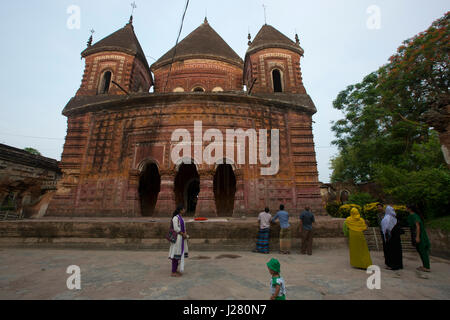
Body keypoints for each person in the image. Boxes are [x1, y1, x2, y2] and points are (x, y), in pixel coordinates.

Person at [406, 204, 431, 273]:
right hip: (417, 234)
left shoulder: (414, 216)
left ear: (410, 209)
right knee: (420, 250)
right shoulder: (413, 215)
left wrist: (417, 237)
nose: (406, 209)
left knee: (422, 250)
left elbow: (418, 226)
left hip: (420, 235)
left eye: (407, 207)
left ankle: (427, 267)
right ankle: (425, 266)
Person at [168, 205, 189, 277]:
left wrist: (185, 234)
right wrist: (183, 234)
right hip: (177, 238)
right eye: (183, 209)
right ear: (180, 210)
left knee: (179, 254)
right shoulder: (175, 218)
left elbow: (183, 228)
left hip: (181, 238)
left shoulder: (181, 218)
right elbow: (176, 228)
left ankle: (175, 270)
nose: (184, 210)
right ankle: (173, 272)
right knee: (175, 254)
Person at [381, 206, 404, 270]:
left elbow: (385, 229)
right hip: (396, 238)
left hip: (389, 238)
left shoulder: (386, 218)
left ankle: (392, 265)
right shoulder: (395, 218)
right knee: (397, 251)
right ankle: (398, 264)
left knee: (390, 251)